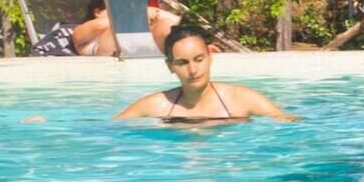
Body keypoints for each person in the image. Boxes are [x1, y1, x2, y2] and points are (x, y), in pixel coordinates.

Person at [118, 23, 294, 127]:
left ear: (210, 57)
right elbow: (111, 129)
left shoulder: (242, 99)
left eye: (199, 59)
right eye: (182, 62)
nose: (193, 70)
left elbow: (291, 124)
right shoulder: (158, 105)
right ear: (170, 66)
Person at [70, 0, 181, 58]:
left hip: (141, 46)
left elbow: (175, 20)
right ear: (97, 12)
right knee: (114, 30)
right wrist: (140, 14)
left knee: (165, 25)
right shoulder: (80, 30)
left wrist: (155, 13)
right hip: (110, 56)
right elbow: (100, 25)